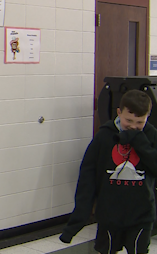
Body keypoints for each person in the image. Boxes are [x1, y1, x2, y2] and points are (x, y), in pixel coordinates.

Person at [59, 89, 157, 254]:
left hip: (141, 214)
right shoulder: (104, 136)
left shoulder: (151, 136)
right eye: (129, 120)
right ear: (119, 112)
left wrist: (139, 141)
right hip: (109, 214)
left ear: (148, 116)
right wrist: (77, 221)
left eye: (140, 122)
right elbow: (87, 177)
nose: (133, 126)